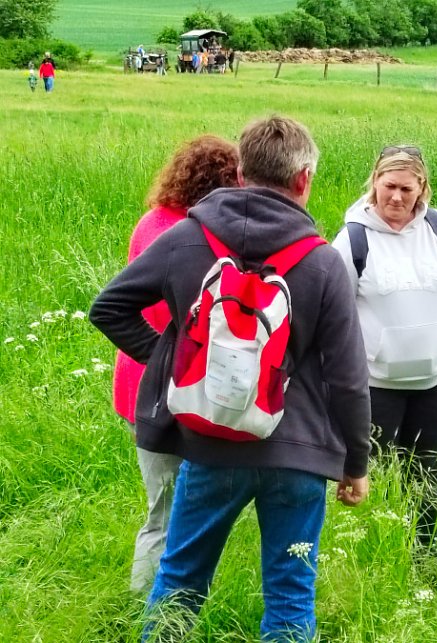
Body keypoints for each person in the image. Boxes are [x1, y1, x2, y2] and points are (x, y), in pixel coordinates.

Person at [90, 116, 371, 642]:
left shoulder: (187, 237)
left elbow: (109, 307)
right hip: (298, 453)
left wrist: (169, 360)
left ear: (240, 172)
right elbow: (350, 378)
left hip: (209, 444)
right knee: (290, 598)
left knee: (179, 585)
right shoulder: (324, 262)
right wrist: (356, 463)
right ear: (305, 179)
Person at [331, 145, 437, 546]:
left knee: (428, 473)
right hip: (376, 383)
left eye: (407, 189)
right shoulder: (352, 240)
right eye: (389, 186)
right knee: (376, 474)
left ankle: (422, 552)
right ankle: (377, 551)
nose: (396, 197)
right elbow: (336, 315)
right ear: (374, 184)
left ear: (422, 189)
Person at [111, 135, 239, 594]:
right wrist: (164, 359)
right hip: (169, 385)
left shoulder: (153, 220)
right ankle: (154, 607)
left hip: (136, 381)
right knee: (168, 514)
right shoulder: (191, 235)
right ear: (223, 182)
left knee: (161, 504)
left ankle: (155, 600)